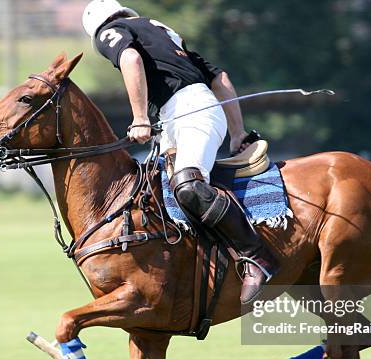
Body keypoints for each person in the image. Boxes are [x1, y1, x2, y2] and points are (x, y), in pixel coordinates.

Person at [82, 0, 279, 304]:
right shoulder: (162, 33)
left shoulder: (111, 31)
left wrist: (139, 118)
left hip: (191, 110)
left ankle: (257, 255)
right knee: (151, 194)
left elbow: (131, 60)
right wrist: (237, 132)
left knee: (188, 186)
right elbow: (220, 79)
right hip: (180, 115)